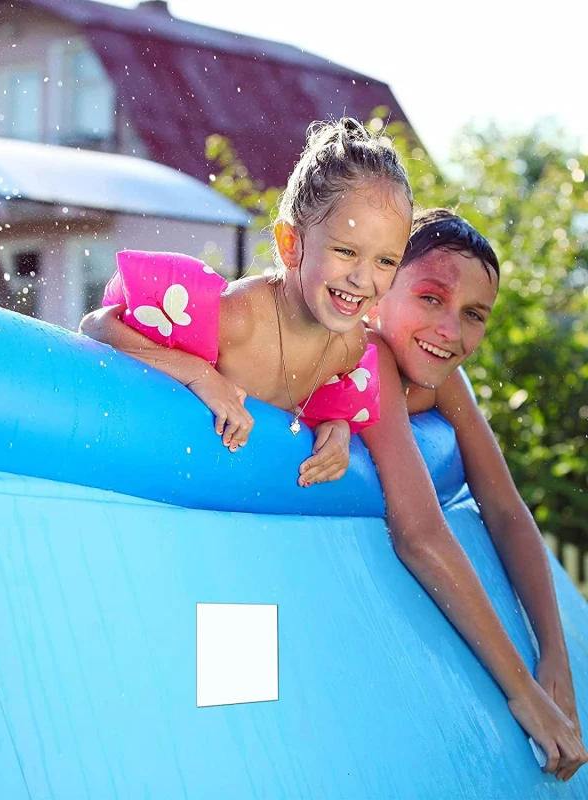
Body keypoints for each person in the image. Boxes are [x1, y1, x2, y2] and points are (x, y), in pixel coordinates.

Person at [357, 208, 586, 780]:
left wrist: (553, 651)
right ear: (381, 286)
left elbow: (505, 508)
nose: (451, 332)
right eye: (431, 298)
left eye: (473, 315)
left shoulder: (439, 374)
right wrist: (525, 691)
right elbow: (418, 534)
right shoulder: (369, 354)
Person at [80, 118, 413, 484]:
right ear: (291, 244)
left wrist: (337, 427)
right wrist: (198, 374)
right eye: (346, 251)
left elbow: (310, 402)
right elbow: (95, 327)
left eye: (385, 261)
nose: (363, 279)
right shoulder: (237, 319)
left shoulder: (348, 347)